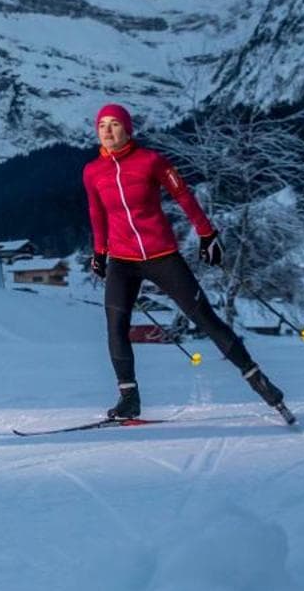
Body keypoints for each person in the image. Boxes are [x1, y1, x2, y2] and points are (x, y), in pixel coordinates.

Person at [82, 102, 287, 420]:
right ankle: (128, 398)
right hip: (122, 259)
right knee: (115, 327)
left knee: (204, 318)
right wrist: (99, 251)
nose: (107, 131)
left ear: (127, 129)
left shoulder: (151, 161)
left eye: (115, 124)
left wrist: (207, 234)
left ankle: (259, 380)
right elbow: (97, 213)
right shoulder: (92, 171)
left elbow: (183, 196)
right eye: (102, 125)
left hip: (161, 254)